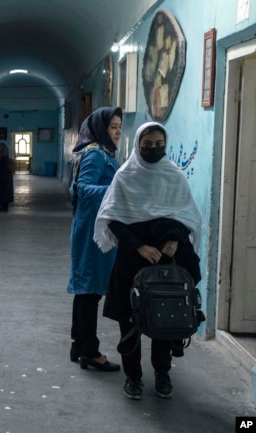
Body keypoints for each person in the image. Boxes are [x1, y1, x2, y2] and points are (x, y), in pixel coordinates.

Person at [94, 121, 202, 400]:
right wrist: (139, 247)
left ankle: (163, 373)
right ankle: (133, 377)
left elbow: (185, 215)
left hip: (168, 258)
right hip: (133, 258)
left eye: (158, 145)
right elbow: (113, 220)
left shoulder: (174, 175)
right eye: (147, 145)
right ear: (138, 145)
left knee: (165, 319)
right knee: (130, 322)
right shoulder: (125, 176)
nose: (153, 150)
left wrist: (176, 239)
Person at [66, 106, 123, 372]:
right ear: (101, 129)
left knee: (86, 290)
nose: (118, 132)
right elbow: (83, 188)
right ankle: (90, 351)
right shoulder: (96, 155)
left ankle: (79, 345)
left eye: (120, 127)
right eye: (113, 127)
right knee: (90, 292)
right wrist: (118, 190)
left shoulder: (95, 152)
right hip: (92, 232)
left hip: (89, 227)